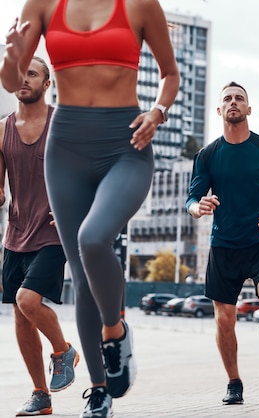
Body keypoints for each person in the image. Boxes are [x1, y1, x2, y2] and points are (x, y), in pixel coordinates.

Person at [0, 1, 180, 416]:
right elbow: (13, 80)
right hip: (65, 149)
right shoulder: (43, 5)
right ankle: (99, 390)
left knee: (93, 237)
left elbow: (170, 74)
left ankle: (115, 331)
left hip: (126, 144)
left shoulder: (138, 5)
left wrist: (158, 111)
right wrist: (11, 57)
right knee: (80, 277)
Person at [186, 81, 259, 405]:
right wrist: (197, 208)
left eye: (239, 98)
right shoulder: (207, 155)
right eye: (228, 99)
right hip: (224, 245)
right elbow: (191, 197)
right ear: (219, 110)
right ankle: (234, 382)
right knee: (224, 318)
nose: (233, 102)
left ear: (248, 108)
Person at [0, 56, 79, 417]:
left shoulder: (62, 123)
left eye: (32, 73)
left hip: (53, 232)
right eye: (20, 73)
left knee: (28, 300)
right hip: (15, 234)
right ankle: (40, 395)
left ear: (47, 84)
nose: (24, 79)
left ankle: (63, 351)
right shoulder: (2, 130)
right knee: (20, 316)